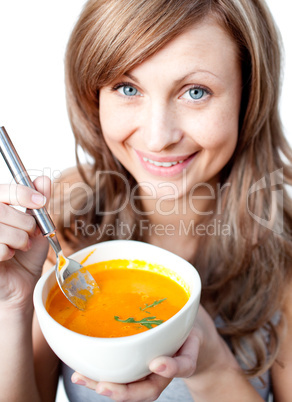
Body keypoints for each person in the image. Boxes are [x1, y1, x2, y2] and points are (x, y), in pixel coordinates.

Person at [0, 0, 292, 401]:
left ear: (249, 96)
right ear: (94, 94)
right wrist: (12, 309)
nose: (158, 137)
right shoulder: (62, 219)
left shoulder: (285, 255)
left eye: (195, 91)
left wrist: (209, 365)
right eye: (127, 87)